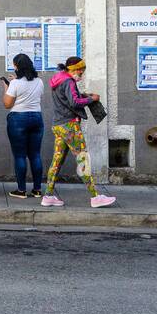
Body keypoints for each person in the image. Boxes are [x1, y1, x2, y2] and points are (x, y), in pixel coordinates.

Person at [41, 56, 116, 208]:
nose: (81, 74)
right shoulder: (69, 81)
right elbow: (74, 102)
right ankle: (95, 197)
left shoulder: (58, 79)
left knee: (56, 162)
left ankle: (48, 196)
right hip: (70, 126)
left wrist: (83, 95)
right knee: (83, 159)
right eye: (81, 71)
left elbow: (66, 98)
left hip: (58, 125)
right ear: (74, 69)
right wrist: (91, 99)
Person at [2, 52, 44, 198]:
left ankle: (21, 190)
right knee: (35, 155)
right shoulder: (39, 81)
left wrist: (7, 88)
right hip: (37, 118)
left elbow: (7, 104)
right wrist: (16, 82)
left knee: (20, 156)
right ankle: (37, 189)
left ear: (16, 66)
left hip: (18, 119)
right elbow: (32, 92)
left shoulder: (14, 84)